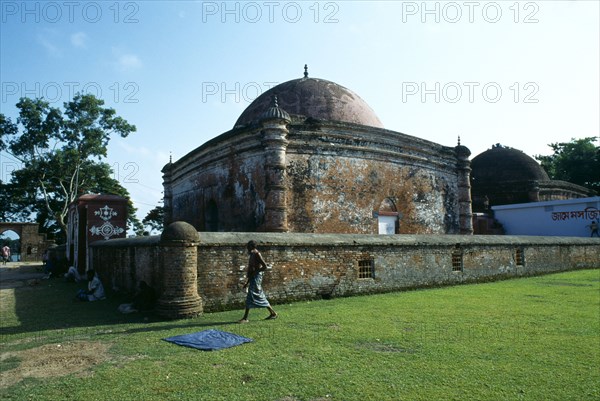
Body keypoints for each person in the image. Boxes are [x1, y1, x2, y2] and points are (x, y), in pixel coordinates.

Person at [239, 240, 277, 323]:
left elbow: (265, 266)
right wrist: (247, 282)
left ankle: (245, 318)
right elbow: (251, 271)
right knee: (259, 295)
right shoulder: (252, 254)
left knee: (251, 295)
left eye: (248, 247)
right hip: (253, 277)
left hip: (257, 277)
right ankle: (273, 313)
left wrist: (256, 272)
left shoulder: (257, 254)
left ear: (252, 247)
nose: (247, 248)